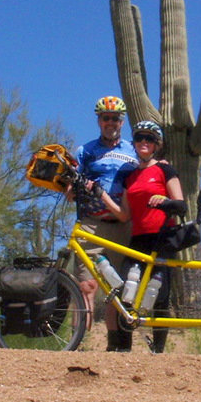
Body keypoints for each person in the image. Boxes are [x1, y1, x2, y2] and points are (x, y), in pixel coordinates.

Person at [66, 95, 137, 352]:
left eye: (115, 118)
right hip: (91, 225)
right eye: (106, 118)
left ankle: (114, 347)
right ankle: (76, 344)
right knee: (86, 286)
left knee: (115, 289)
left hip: (123, 227)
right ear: (99, 121)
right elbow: (70, 187)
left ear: (122, 121)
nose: (110, 123)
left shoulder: (133, 151)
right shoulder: (85, 151)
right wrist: (73, 188)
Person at [115, 120, 185, 353]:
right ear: (133, 143)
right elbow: (124, 214)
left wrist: (164, 201)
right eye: (139, 138)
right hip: (138, 239)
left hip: (162, 238)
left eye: (150, 139)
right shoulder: (130, 176)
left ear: (157, 144)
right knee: (125, 291)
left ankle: (159, 350)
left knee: (160, 295)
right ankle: (123, 349)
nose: (144, 142)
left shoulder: (165, 170)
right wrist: (98, 195)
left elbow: (181, 205)